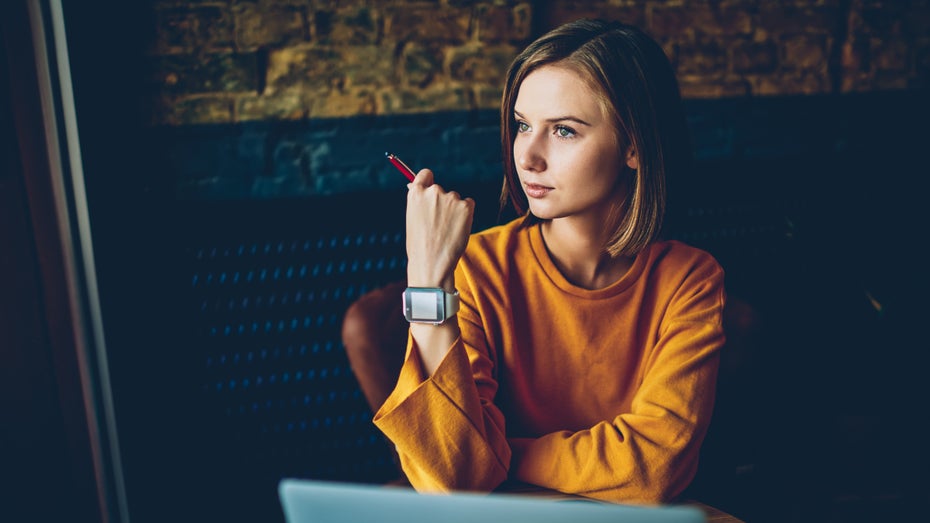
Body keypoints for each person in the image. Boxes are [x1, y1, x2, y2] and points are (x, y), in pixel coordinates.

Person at [372, 18, 726, 504]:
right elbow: (456, 479)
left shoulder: (690, 280)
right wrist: (430, 280)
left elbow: (655, 470)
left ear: (634, 146)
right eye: (522, 125)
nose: (528, 157)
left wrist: (500, 454)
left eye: (563, 130)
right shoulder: (476, 267)